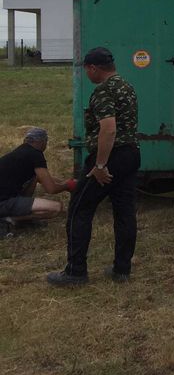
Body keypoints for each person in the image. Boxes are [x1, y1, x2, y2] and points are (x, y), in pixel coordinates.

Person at [48, 47, 140, 286]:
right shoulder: (126, 86)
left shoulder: (103, 91)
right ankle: (122, 269)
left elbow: (108, 129)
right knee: (124, 211)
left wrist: (100, 165)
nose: (87, 74)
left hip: (110, 157)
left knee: (80, 208)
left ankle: (75, 272)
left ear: (94, 68)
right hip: (131, 153)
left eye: (86, 70)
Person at [0, 128, 75, 236]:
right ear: (42, 142)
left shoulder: (20, 152)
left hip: (5, 197)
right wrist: (68, 185)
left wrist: (64, 182)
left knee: (34, 178)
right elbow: (51, 189)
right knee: (56, 208)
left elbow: (43, 177)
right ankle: (8, 219)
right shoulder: (35, 155)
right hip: (3, 203)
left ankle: (20, 218)